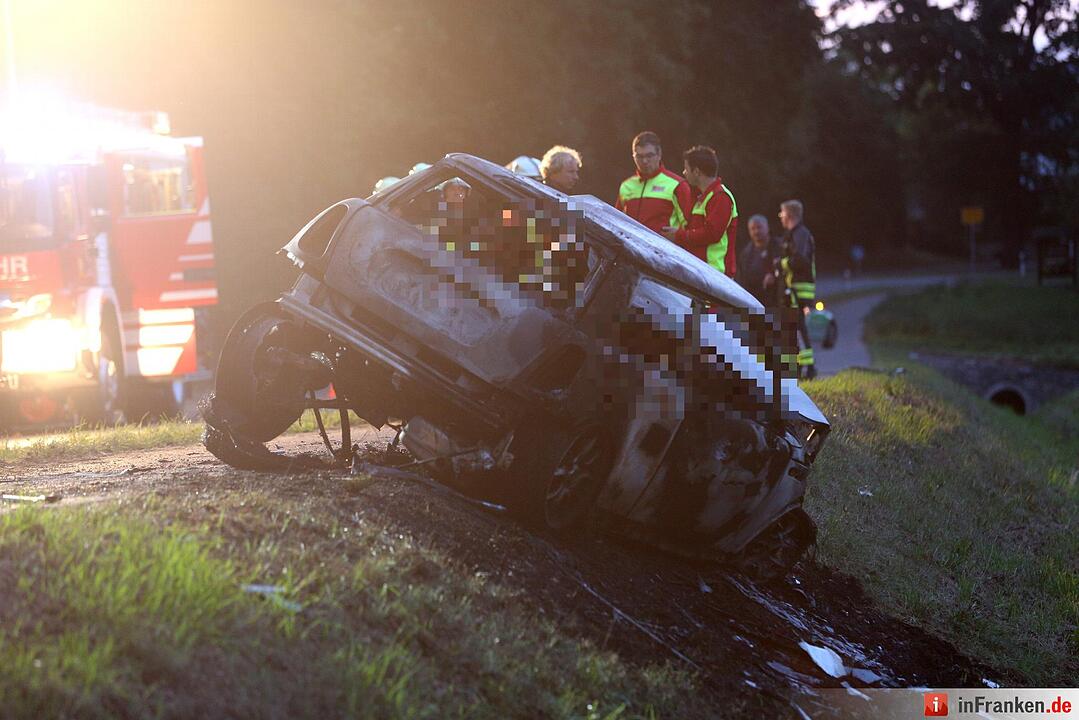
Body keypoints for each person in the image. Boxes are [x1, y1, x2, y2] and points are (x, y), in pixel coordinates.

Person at [663, 145, 738, 277]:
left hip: (716, 275)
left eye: (686, 169)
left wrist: (679, 235)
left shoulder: (721, 197)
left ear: (697, 172)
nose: (684, 173)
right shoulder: (704, 197)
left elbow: (711, 234)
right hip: (703, 272)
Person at [766, 199, 817, 379]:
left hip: (798, 290)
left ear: (789, 215)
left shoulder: (800, 234)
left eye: (782, 213)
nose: (780, 217)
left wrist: (781, 263)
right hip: (792, 288)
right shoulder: (794, 234)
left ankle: (808, 369)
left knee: (797, 327)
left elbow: (801, 260)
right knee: (793, 328)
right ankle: (798, 368)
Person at [615, 131, 693, 236]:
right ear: (633, 156)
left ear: (659, 154)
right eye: (639, 156)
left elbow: (690, 226)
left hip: (664, 250)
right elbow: (616, 223)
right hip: (630, 250)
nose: (645, 161)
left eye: (649, 155)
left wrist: (678, 238)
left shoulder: (677, 184)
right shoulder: (626, 186)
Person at [737, 214, 778, 305]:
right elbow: (742, 280)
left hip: (778, 301)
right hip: (755, 304)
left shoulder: (780, 247)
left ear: (767, 228)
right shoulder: (745, 254)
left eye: (759, 227)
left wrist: (775, 276)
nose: (756, 231)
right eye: (752, 229)